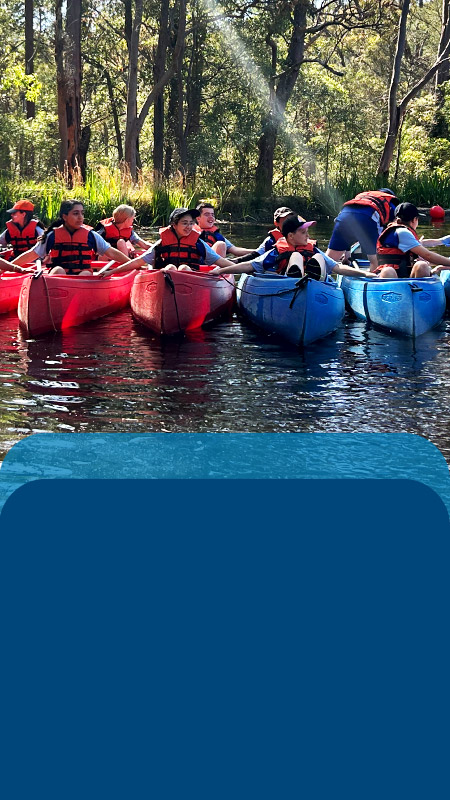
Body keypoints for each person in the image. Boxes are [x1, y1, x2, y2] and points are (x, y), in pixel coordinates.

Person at [211, 214, 374, 280]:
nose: (308, 236)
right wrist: (220, 270)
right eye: (303, 232)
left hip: (313, 286)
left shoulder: (313, 250)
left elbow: (338, 268)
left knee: (318, 258)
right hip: (288, 285)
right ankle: (296, 276)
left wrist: (366, 274)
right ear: (290, 236)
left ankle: (311, 275)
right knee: (295, 256)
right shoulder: (275, 252)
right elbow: (249, 266)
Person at [99, 207, 238, 276]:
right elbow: (138, 262)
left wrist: (245, 269)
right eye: (184, 223)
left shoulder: (197, 243)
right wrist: (112, 272)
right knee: (170, 268)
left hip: (193, 282)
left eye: (191, 223)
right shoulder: (162, 243)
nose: (189, 227)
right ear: (174, 225)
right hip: (166, 281)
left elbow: (220, 261)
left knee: (184, 268)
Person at [11, 199, 130, 276]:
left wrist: (132, 264)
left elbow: (111, 252)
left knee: (85, 275)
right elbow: (32, 254)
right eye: (75, 213)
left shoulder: (90, 234)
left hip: (83, 274)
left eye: (82, 213)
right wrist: (9, 267)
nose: (80, 217)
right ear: (65, 216)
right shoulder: (52, 235)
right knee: (58, 270)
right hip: (60, 276)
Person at [326, 189, 398, 271]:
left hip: (343, 216)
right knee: (376, 261)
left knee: (328, 261)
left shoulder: (364, 198)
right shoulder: (390, 203)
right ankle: (373, 278)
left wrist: (347, 255)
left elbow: (347, 233)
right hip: (367, 219)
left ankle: (317, 277)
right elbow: (395, 228)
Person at [375, 202, 450, 278]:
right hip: (391, 276)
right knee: (389, 271)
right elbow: (428, 255)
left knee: (421, 265)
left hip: (407, 275)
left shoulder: (398, 231)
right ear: (414, 220)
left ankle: (421, 289)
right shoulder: (403, 232)